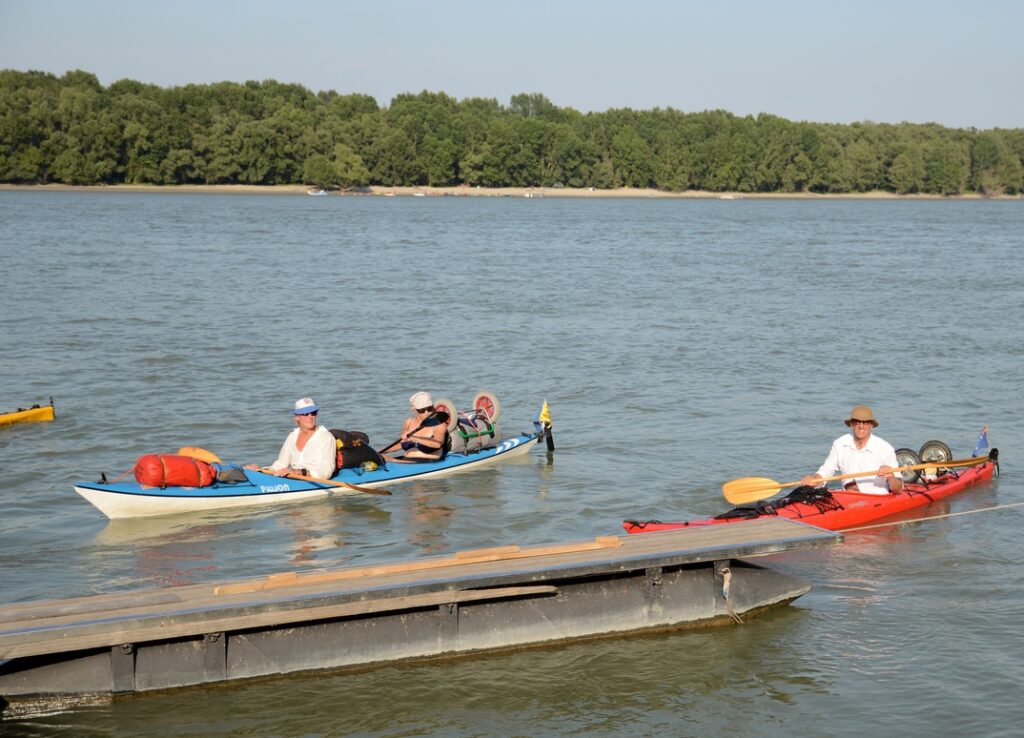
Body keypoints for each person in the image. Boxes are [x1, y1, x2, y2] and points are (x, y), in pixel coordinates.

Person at [800, 405, 904, 495]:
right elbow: (826, 471)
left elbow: (898, 489)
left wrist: (891, 476)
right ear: (851, 424)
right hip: (848, 498)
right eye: (857, 422)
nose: (861, 426)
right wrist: (814, 480)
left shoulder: (885, 448)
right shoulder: (840, 444)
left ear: (871, 425)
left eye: (865, 423)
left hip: (876, 500)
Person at [245, 397, 336, 479]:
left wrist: (299, 472)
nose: (310, 417)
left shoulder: (326, 437)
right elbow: (281, 464)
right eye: (306, 414)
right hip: (294, 477)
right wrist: (260, 470)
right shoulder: (292, 436)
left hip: (313, 479)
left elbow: (326, 471)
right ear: (297, 417)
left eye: (313, 413)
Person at [384, 391, 447, 462]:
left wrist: (414, 438)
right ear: (414, 410)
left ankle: (393, 460)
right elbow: (401, 444)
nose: (427, 413)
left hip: (428, 461)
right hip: (406, 460)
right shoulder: (408, 422)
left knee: (389, 460)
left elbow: (438, 444)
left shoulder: (439, 424)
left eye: (429, 409)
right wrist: (383, 451)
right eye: (422, 410)